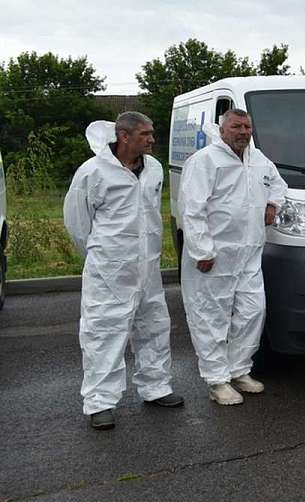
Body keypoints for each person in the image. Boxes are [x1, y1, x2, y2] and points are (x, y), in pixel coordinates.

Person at [64, 112, 184, 430]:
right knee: (104, 333)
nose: (152, 139)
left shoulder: (154, 169)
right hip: (109, 271)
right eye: (145, 134)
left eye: (152, 133)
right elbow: (78, 223)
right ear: (125, 136)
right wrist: (102, 255)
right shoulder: (93, 172)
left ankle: (156, 387)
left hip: (148, 267)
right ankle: (99, 403)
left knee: (154, 327)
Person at [179, 108, 288, 405]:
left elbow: (278, 184)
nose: (243, 132)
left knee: (252, 312)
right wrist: (202, 250)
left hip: (249, 252)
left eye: (247, 126)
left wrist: (273, 205)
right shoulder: (205, 161)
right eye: (237, 126)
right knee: (211, 316)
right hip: (215, 255)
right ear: (223, 129)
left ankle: (240, 369)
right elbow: (192, 208)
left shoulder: (258, 158)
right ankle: (216, 380)